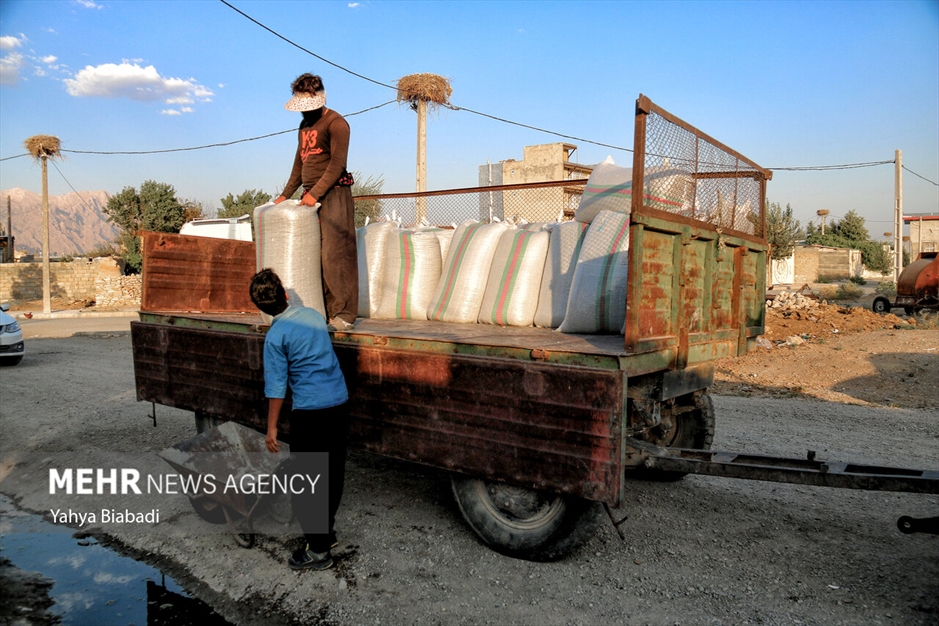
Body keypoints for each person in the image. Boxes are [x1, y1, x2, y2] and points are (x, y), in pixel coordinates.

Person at [249, 268, 350, 571]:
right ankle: (326, 535)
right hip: (338, 404)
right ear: (285, 295)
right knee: (332, 475)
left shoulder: (276, 336)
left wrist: (271, 429)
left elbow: (277, 387)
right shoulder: (313, 316)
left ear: (262, 309)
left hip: (311, 413)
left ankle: (319, 552)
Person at [273, 73, 358, 332]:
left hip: (334, 195)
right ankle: (326, 312)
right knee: (317, 257)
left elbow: (337, 164)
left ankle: (345, 313)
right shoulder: (304, 126)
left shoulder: (337, 123)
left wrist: (316, 193)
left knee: (336, 255)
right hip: (311, 197)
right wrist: (285, 194)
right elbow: (300, 163)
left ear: (320, 99)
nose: (304, 112)